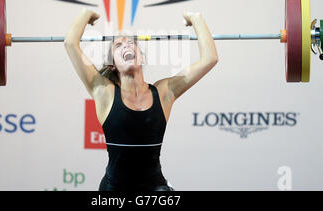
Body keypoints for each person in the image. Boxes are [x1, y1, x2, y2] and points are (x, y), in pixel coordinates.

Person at [64, 10, 218, 191]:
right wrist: (86, 14)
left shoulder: (164, 92)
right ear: (112, 64)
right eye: (118, 46)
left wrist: (195, 18)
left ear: (141, 57)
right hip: (113, 190)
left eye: (131, 43)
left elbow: (210, 58)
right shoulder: (104, 92)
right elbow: (70, 43)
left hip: (154, 188)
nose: (126, 46)